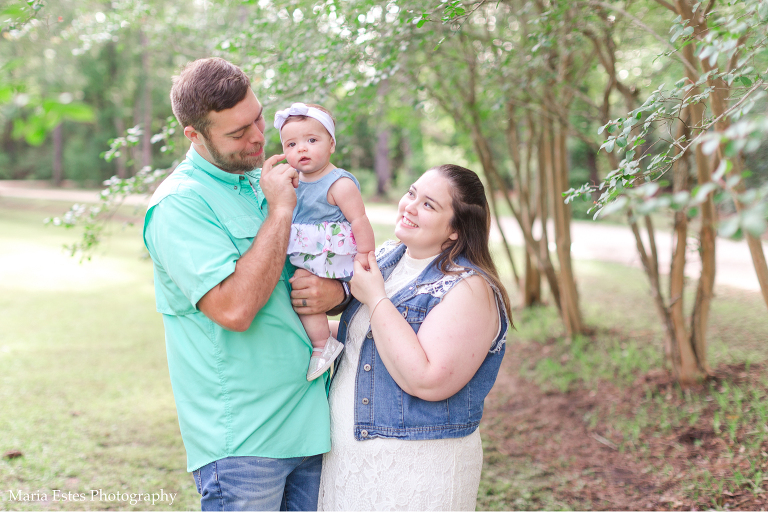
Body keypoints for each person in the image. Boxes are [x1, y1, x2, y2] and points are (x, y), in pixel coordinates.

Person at [142, 57, 345, 511]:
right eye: (238, 133)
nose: (257, 137)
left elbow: (318, 264)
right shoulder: (179, 207)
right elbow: (234, 310)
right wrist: (279, 212)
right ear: (194, 135)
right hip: (244, 446)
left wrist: (338, 294)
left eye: (257, 118)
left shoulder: (266, 178)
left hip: (314, 424)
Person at [317, 164, 513, 511]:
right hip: (349, 461)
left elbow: (428, 379)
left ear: (455, 230)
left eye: (429, 205)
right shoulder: (388, 258)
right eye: (411, 193)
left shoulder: (469, 288)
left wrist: (376, 298)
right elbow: (368, 342)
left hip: (415, 470)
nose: (409, 205)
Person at [274, 102, 375, 381]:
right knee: (302, 290)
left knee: (305, 289)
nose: (301, 149)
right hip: (308, 253)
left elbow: (359, 220)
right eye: (291, 144)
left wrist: (365, 253)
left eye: (311, 140)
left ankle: (322, 345)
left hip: (330, 253)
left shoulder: (338, 183)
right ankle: (322, 343)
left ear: (331, 144)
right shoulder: (294, 182)